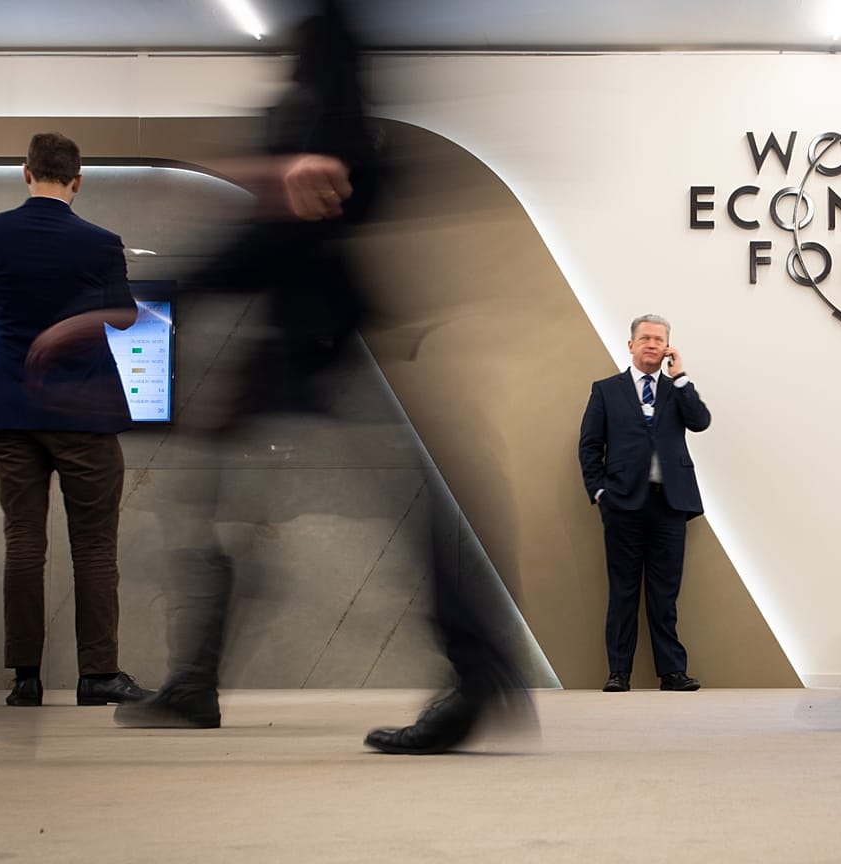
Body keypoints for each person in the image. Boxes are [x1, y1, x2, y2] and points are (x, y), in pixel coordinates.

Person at [115, 2, 534, 755]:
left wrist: (181, 281)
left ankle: (474, 667)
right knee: (244, 505)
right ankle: (475, 667)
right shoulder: (335, 100)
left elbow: (291, 227)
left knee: (376, 504)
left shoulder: (321, 103)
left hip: (322, 342)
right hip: (318, 341)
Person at [0, 131, 151, 708]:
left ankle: (26, 679)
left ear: (26, 172)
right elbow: (124, 318)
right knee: (93, 545)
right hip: (84, 409)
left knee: (23, 541)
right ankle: (98, 675)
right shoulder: (100, 242)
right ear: (78, 179)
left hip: (10, 407)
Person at [579, 314, 712, 693]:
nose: (652, 344)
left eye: (659, 339)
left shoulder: (676, 390)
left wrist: (680, 376)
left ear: (667, 346)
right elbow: (589, 445)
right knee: (623, 591)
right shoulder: (606, 390)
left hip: (670, 505)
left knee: (664, 593)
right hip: (622, 504)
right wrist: (600, 492)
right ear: (631, 345)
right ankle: (618, 672)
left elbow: (700, 422)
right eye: (645, 338)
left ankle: (672, 672)